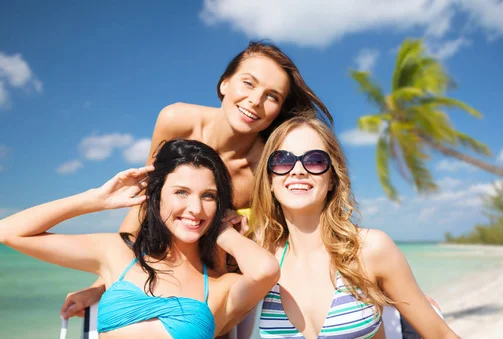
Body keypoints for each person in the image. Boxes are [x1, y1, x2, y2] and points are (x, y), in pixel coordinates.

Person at [60, 40, 332, 338]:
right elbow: (147, 203)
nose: (255, 100)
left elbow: (290, 225)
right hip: (168, 271)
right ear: (224, 84)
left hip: (227, 281)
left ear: (278, 109)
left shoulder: (266, 164)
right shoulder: (177, 120)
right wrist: (100, 284)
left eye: (272, 96)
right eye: (248, 83)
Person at [0, 139, 280, 338]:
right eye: (181, 192)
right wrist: (96, 199)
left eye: (208, 196)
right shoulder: (118, 253)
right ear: (157, 196)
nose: (195, 208)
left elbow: (265, 270)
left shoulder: (220, 287)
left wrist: (224, 231)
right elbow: (9, 232)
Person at [252, 115, 459, 338]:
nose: (298, 170)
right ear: (270, 179)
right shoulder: (261, 261)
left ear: (332, 178)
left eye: (315, 160)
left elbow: (441, 335)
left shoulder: (369, 249)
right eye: (283, 160)